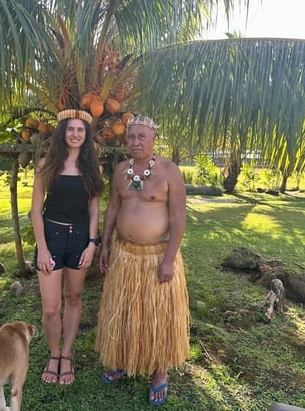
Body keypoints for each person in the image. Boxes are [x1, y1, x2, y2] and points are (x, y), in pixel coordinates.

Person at [95, 114, 189, 405]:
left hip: (156, 256)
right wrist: (105, 245)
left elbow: (178, 216)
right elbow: (112, 207)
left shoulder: (169, 171)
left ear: (153, 139)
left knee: (158, 317)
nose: (135, 142)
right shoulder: (121, 170)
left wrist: (169, 259)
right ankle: (122, 360)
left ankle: (160, 372)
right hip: (124, 255)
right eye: (131, 136)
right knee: (123, 312)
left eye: (141, 137)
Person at [31, 109, 104, 386]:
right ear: (63, 134)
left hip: (79, 241)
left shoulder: (92, 169)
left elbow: (94, 210)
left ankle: (67, 355)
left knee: (74, 298)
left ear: (86, 137)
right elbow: (36, 211)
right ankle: (53, 354)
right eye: (70, 130)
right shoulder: (45, 165)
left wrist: (92, 244)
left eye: (80, 130)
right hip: (51, 239)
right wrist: (43, 249)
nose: (75, 134)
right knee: (51, 307)